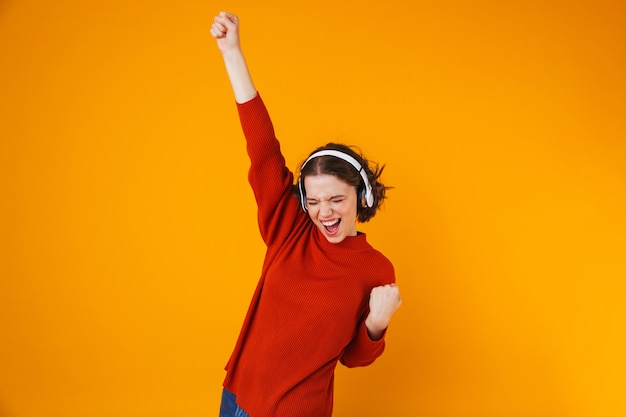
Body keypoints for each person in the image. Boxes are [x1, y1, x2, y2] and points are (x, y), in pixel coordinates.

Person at [210, 11, 402, 417]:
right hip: (237, 399)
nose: (323, 213)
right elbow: (262, 147)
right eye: (313, 201)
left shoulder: (376, 270)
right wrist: (232, 52)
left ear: (359, 195)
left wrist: (376, 326)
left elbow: (354, 357)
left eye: (335, 199)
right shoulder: (288, 229)